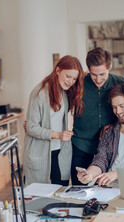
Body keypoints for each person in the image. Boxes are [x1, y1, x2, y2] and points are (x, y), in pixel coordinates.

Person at [23, 55, 84, 186]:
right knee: (39, 195)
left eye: (74, 78)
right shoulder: (39, 93)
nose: (71, 81)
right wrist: (57, 135)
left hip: (60, 152)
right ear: (57, 70)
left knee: (61, 191)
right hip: (41, 152)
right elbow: (31, 127)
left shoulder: (66, 92)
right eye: (68, 76)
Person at [71, 47, 124, 185]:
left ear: (110, 67)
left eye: (102, 74)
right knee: (80, 189)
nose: (98, 79)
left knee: (106, 190)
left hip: (110, 148)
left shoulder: (120, 83)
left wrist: (114, 125)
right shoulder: (77, 84)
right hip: (81, 145)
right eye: (94, 74)